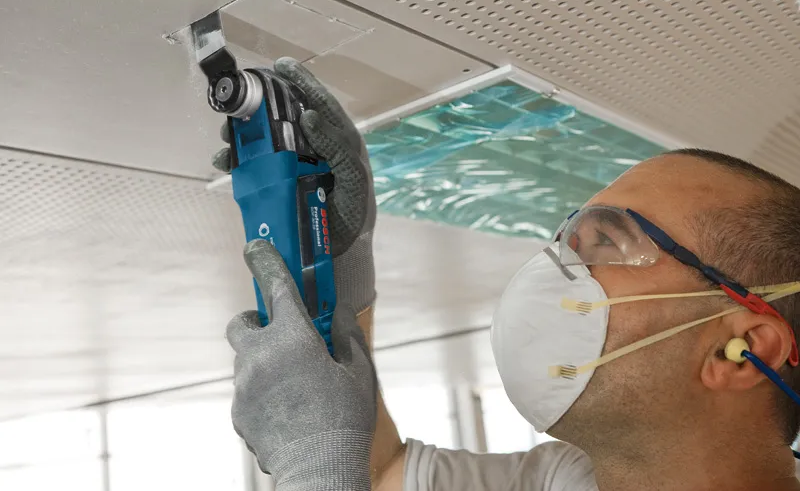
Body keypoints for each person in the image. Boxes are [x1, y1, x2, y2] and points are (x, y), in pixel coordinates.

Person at [215, 58, 800, 491]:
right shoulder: (561, 480)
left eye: (611, 242)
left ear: (743, 351)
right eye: (567, 238)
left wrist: (315, 475)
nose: (558, 266)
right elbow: (377, 472)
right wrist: (335, 264)